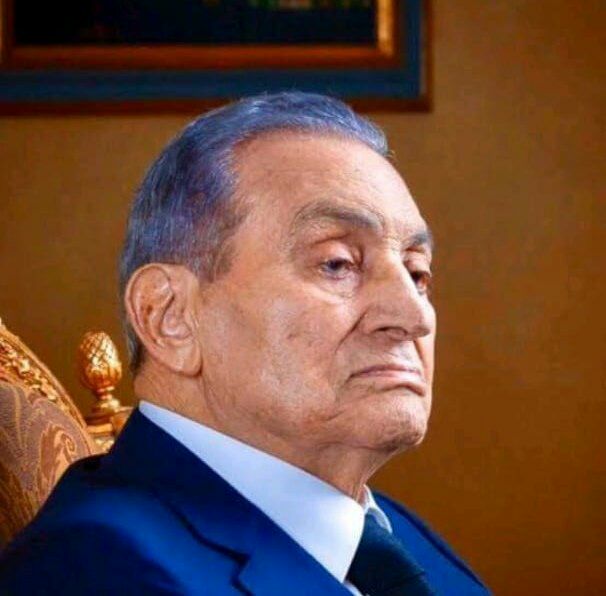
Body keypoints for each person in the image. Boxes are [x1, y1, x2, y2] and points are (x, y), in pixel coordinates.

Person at [0, 92, 490, 595]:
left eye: (417, 273)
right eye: (337, 264)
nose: (413, 317)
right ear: (169, 317)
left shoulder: (401, 539)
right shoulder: (97, 568)